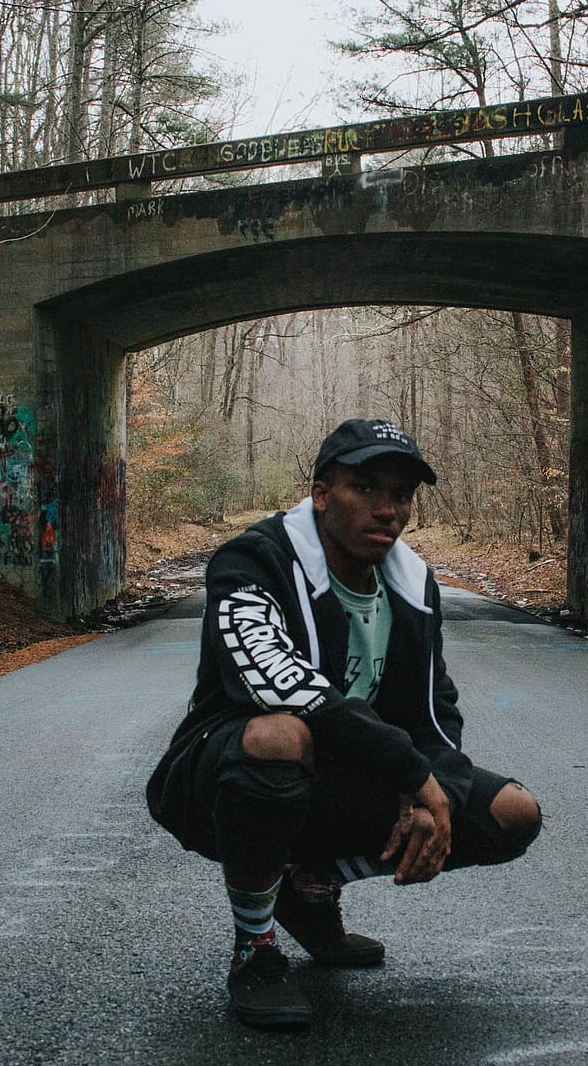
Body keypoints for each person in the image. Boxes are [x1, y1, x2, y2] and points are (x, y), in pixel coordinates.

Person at [146, 418, 542, 1028]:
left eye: (403, 495)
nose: (388, 510)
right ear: (322, 492)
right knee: (281, 733)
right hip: (225, 776)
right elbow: (276, 678)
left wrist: (431, 793)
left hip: (347, 779)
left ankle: (311, 886)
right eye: (366, 488)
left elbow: (436, 710)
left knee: (514, 813)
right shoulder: (253, 561)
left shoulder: (412, 584)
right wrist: (409, 770)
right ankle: (255, 947)